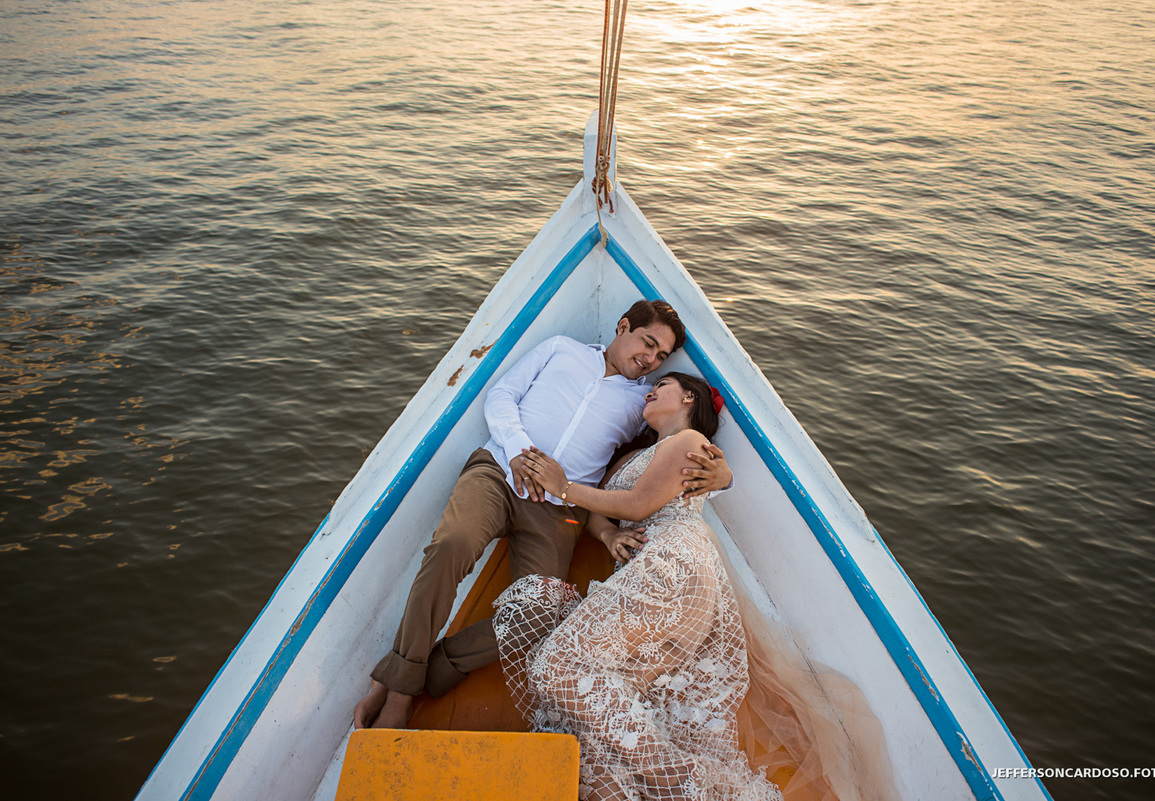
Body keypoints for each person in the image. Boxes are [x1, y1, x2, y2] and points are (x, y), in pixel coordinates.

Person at [499, 374, 899, 801]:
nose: (651, 389)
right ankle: (667, 784)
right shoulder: (637, 457)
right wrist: (608, 536)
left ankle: (676, 780)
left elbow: (637, 505)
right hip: (656, 571)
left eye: (663, 383)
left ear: (688, 397)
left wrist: (563, 487)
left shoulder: (689, 440)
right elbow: (606, 510)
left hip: (672, 562)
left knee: (556, 665)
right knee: (594, 713)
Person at [353, 300, 734, 730]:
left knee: (538, 615)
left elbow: (667, 454)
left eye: (661, 356)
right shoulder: (561, 349)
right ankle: (401, 693)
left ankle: (423, 670)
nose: (650, 359)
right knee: (450, 546)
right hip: (499, 470)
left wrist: (722, 475)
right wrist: (518, 451)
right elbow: (501, 396)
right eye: (648, 344)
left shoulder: (641, 404)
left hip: (559, 512)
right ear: (623, 326)